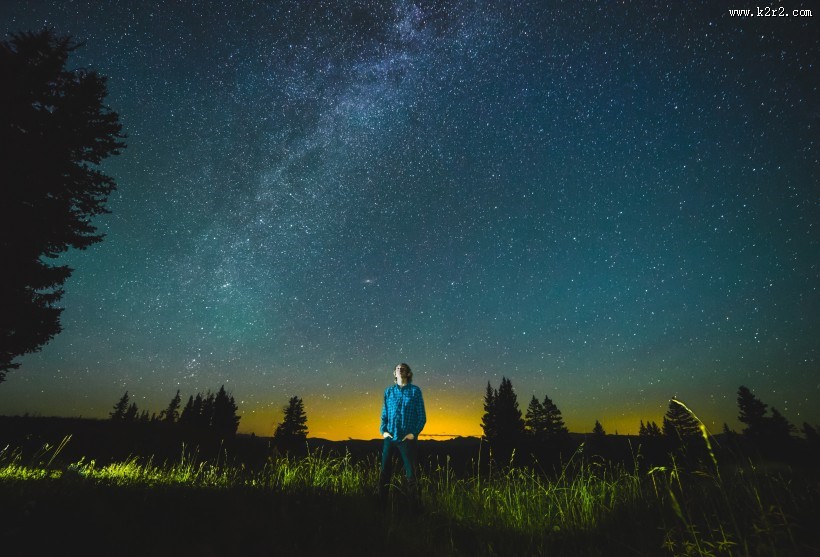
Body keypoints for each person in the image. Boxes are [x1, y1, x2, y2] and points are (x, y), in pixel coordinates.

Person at [379, 362, 426, 505]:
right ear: (395, 373)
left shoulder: (415, 391)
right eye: (397, 368)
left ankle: (414, 508)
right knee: (384, 473)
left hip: (407, 438)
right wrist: (383, 431)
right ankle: (380, 506)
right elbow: (384, 413)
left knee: (411, 475)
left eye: (403, 368)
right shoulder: (388, 392)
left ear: (408, 373)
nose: (400, 370)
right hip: (390, 437)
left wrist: (414, 433)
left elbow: (422, 416)